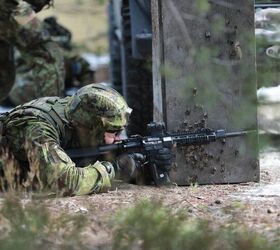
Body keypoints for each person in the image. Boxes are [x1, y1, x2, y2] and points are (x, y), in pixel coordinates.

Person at [0, 84, 172, 196]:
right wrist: (115, 169)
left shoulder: (77, 115)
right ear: (92, 127)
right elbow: (66, 181)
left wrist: (144, 167)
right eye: (113, 131)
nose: (118, 138)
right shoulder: (37, 127)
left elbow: (84, 156)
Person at [0, 0, 65, 105]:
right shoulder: (16, 8)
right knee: (47, 55)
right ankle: (50, 112)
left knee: (4, 71)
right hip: (12, 6)